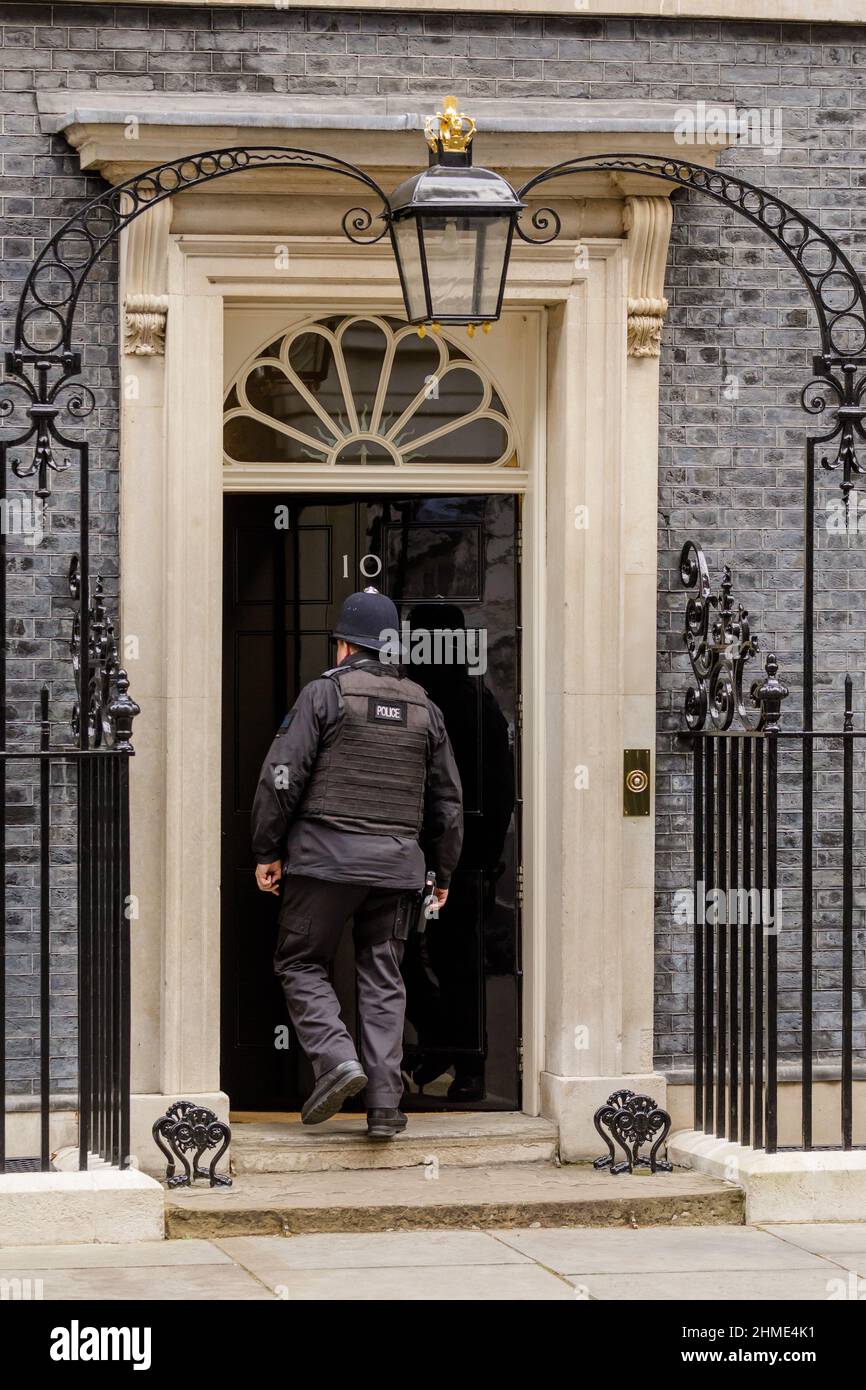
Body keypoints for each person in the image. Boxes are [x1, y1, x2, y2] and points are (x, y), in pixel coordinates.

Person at [251, 586, 463, 1140]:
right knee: (384, 976)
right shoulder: (425, 706)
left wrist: (266, 849)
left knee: (300, 962)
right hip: (397, 870)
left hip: (324, 862)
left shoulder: (324, 695)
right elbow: (448, 802)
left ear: (343, 646)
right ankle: (386, 1104)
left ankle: (337, 1060)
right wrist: (441, 872)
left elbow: (282, 774)